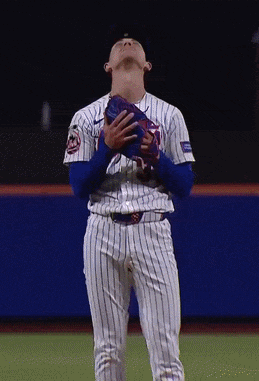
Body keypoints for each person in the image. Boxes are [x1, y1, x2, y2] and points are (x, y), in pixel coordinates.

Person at [63, 24, 195, 381]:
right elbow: (79, 187)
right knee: (107, 348)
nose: (126, 42)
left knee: (165, 348)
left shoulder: (169, 115)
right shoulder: (85, 118)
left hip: (152, 228)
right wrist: (107, 147)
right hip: (102, 229)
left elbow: (184, 186)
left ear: (147, 65)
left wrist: (157, 158)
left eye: (134, 43)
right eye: (119, 44)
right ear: (108, 66)